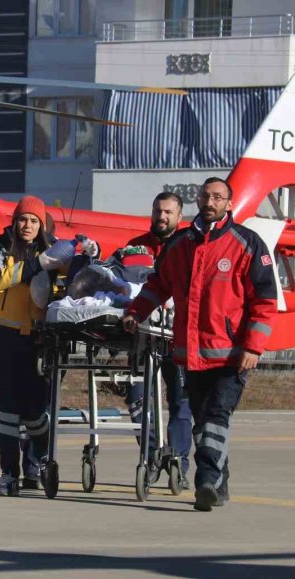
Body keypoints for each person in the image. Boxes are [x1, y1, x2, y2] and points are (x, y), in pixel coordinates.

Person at [122, 177, 277, 511]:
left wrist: (253, 347)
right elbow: (157, 285)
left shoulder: (247, 244)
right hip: (190, 355)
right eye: (206, 196)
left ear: (229, 204)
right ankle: (219, 483)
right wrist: (135, 312)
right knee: (203, 420)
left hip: (232, 355)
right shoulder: (180, 245)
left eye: (218, 197)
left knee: (216, 417)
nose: (210, 202)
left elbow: (265, 301)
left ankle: (205, 481)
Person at [0, 195, 95, 496]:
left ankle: (42, 460)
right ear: (14, 221)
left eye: (33, 221)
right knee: (6, 410)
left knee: (33, 411)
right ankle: (8, 474)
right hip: (0, 336)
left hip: (38, 341)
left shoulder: (54, 248)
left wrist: (88, 255)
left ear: (42, 225)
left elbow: (75, 279)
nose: (27, 225)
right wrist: (39, 263)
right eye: (22, 219)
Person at [123, 191, 192, 489]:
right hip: (142, 338)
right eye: (157, 211)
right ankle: (150, 457)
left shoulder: (191, 246)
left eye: (168, 212)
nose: (161, 217)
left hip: (178, 337)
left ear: (179, 217)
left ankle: (177, 461)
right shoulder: (134, 247)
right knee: (138, 399)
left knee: (182, 402)